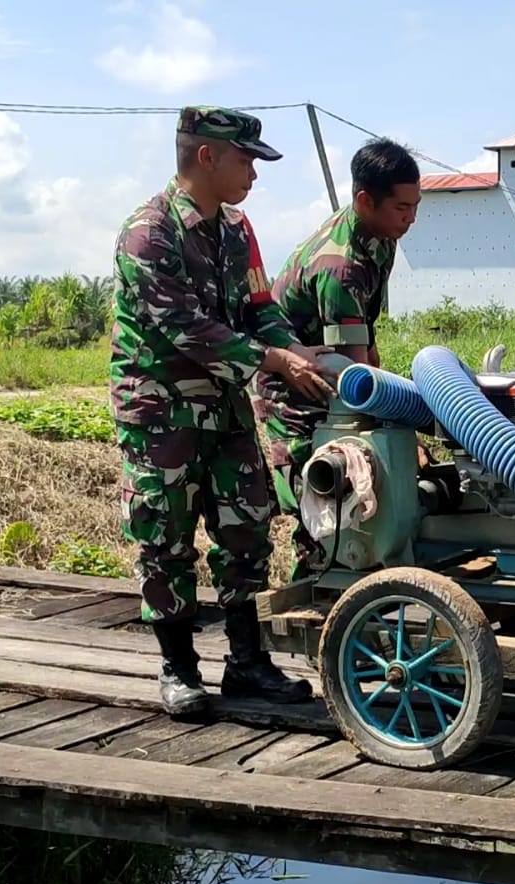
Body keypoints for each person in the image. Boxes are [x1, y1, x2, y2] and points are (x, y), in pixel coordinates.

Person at [110, 105, 337, 716]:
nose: (254, 175)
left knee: (246, 529)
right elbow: (183, 327)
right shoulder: (148, 232)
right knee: (166, 538)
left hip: (226, 406)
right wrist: (272, 360)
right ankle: (178, 669)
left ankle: (246, 664)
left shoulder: (237, 229)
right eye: (246, 161)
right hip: (162, 413)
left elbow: (260, 305)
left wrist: (292, 348)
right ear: (206, 156)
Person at [252, 137, 422, 580]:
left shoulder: (381, 238)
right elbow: (355, 379)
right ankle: (319, 597)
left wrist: (399, 420)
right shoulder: (340, 265)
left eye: (415, 206)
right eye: (402, 208)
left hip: (339, 371)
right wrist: (398, 428)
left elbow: (364, 343)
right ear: (365, 201)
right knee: (325, 498)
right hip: (295, 388)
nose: (411, 218)